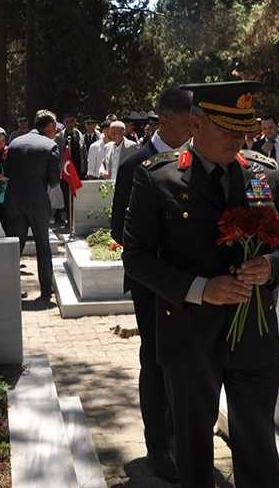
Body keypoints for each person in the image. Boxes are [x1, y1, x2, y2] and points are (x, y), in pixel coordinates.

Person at [123, 80, 279, 488]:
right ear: (197, 122)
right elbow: (136, 258)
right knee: (194, 448)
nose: (238, 140)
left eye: (244, 130)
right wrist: (200, 288)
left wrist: (271, 265)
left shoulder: (262, 173)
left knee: (257, 440)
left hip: (253, 333)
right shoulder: (158, 178)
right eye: (228, 130)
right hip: (189, 335)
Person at [110, 88, 193, 482]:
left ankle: (179, 431)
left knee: (184, 363)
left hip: (191, 286)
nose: (195, 125)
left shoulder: (194, 159)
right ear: (165, 120)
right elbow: (119, 230)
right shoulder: (135, 162)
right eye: (188, 118)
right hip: (153, 285)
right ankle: (158, 447)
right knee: (157, 363)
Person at [4, 110, 61, 300]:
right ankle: (46, 290)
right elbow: (54, 182)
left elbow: (8, 172)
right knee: (43, 246)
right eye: (55, 127)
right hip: (38, 202)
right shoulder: (50, 146)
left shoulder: (14, 143)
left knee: (14, 248)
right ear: (50, 127)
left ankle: (10, 289)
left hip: (14, 200)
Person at [54, 114, 84, 224]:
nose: (70, 124)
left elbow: (83, 153)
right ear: (64, 123)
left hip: (77, 171)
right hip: (65, 171)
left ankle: (76, 219)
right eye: (68, 122)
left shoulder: (79, 135)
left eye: (72, 121)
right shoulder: (59, 137)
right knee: (66, 196)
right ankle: (70, 219)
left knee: (77, 196)